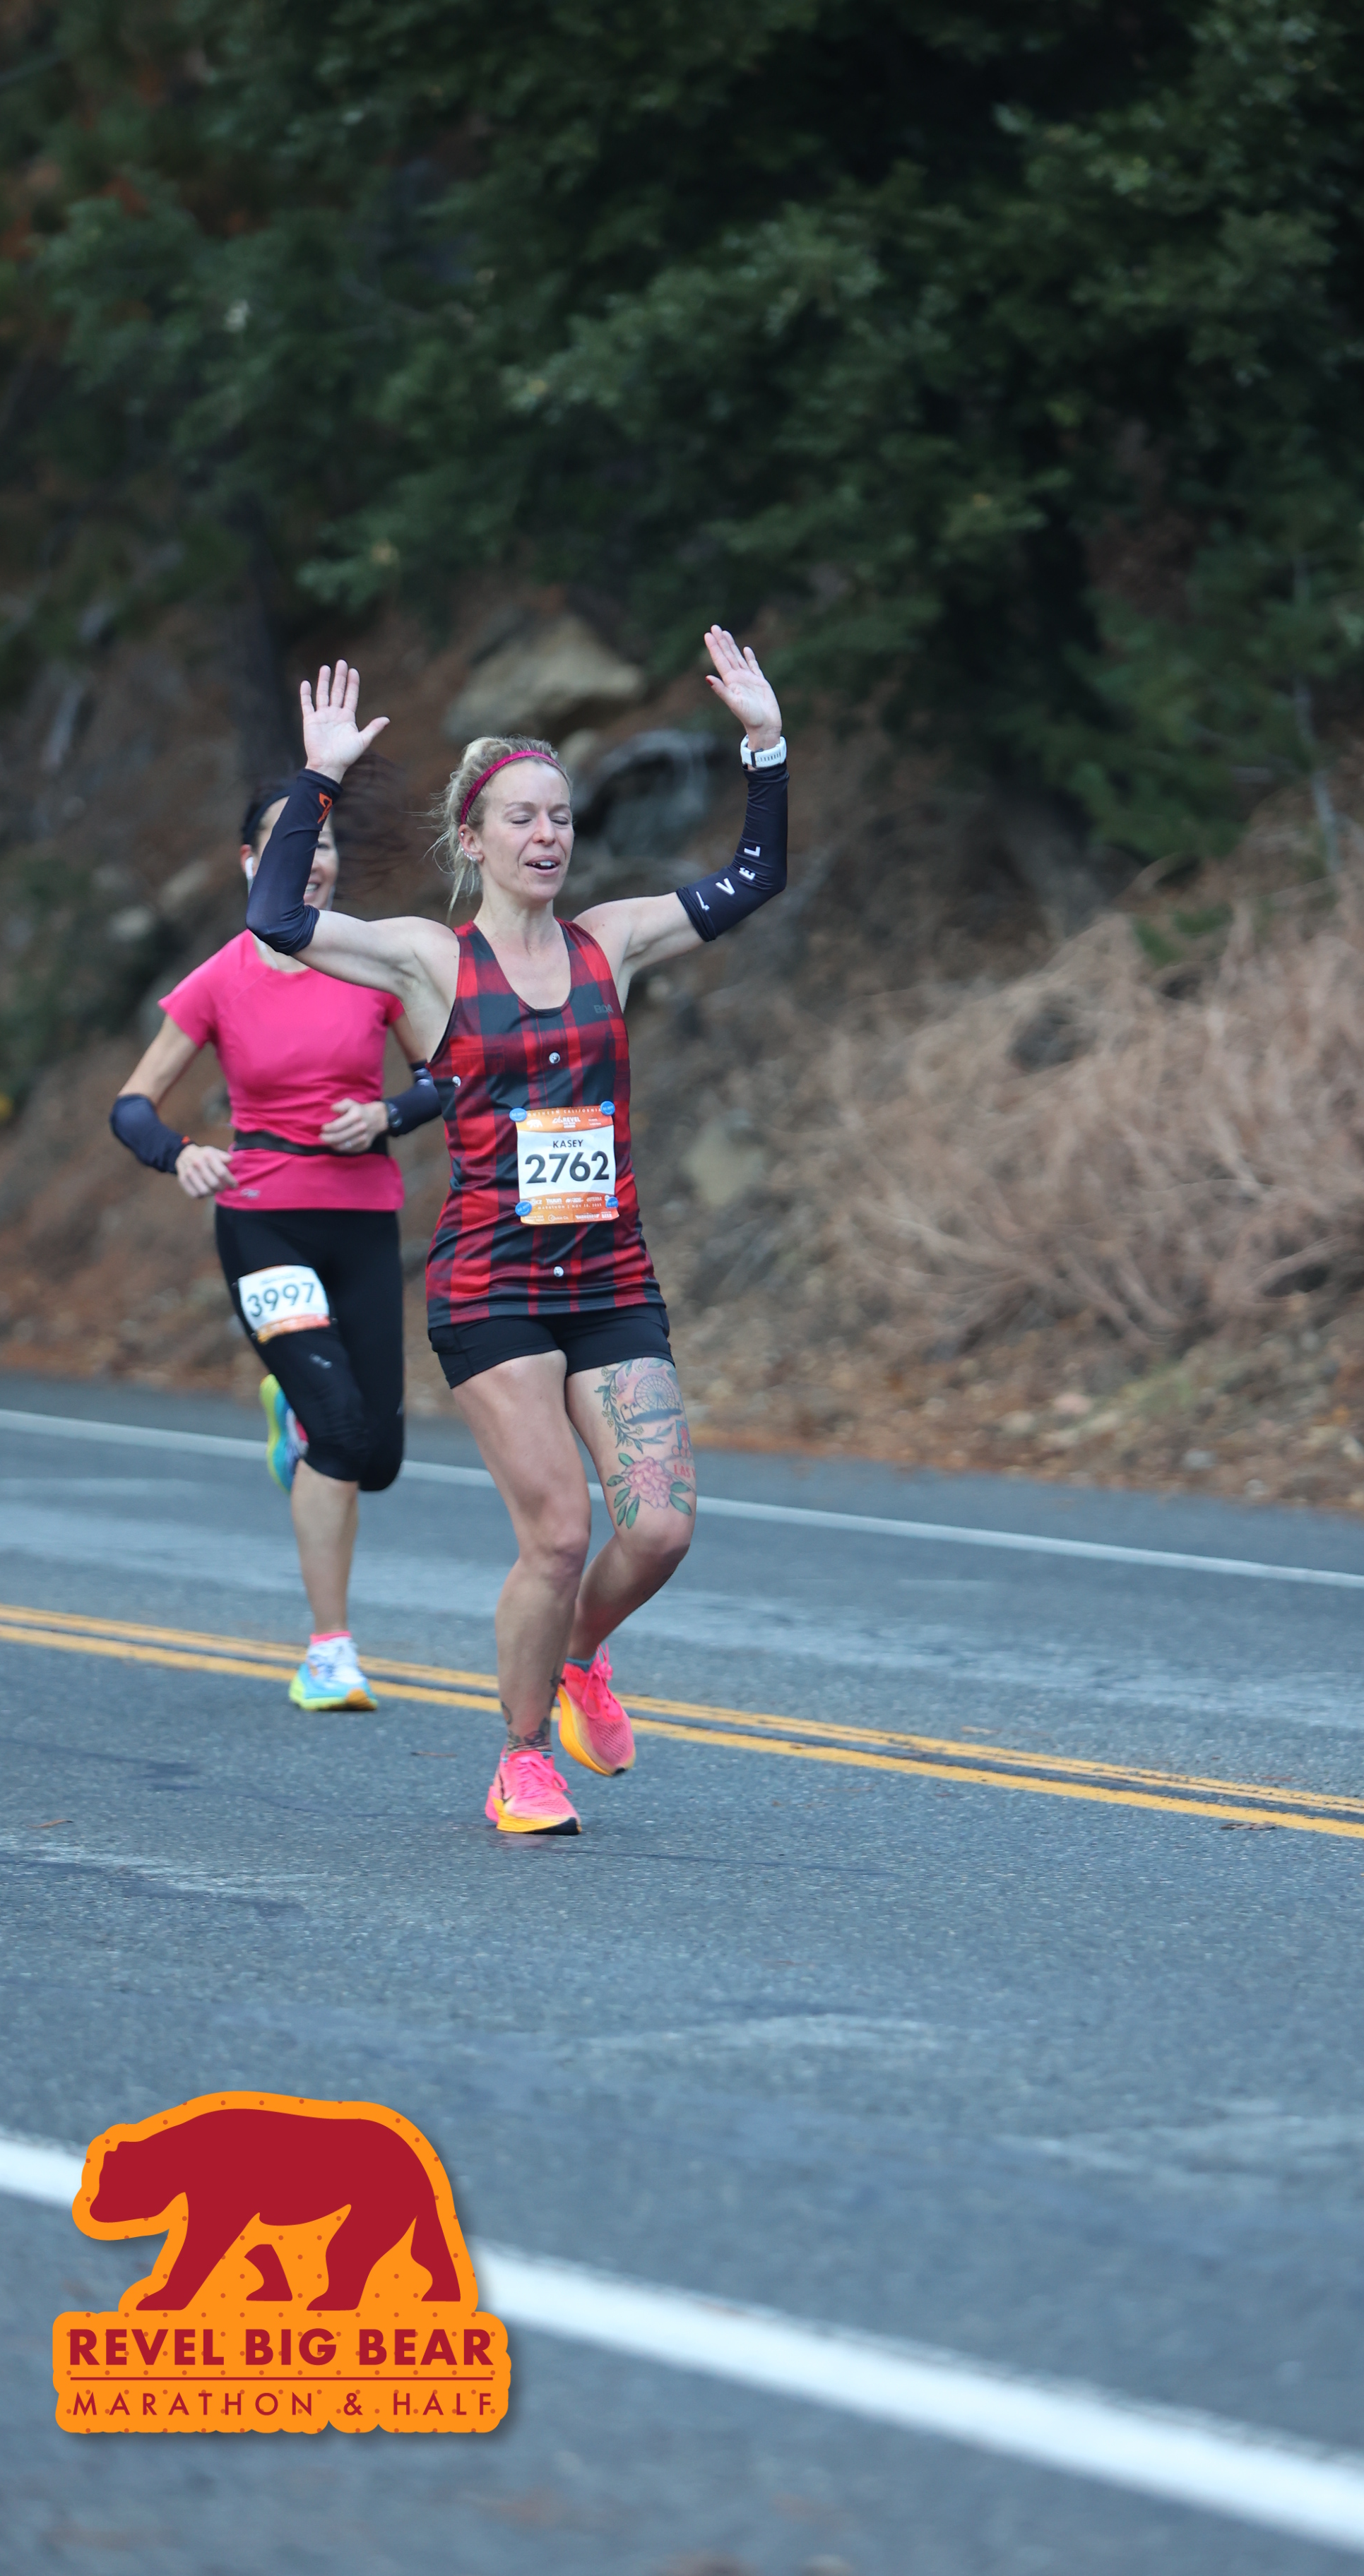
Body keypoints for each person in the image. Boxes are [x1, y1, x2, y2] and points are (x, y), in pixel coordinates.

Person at [245, 628, 788, 1833]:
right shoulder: (426, 961)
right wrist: (318, 777)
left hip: (610, 1277)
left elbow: (756, 878)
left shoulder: (614, 940)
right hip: (492, 1288)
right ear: (474, 837)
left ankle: (579, 1657)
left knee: (661, 1528)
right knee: (557, 1533)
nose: (547, 835)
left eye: (561, 817)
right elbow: (277, 919)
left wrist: (765, 744)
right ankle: (523, 1758)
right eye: (522, 818)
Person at [109, 782, 446, 1711]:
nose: (315, 858)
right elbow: (132, 1105)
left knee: (378, 1458)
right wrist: (180, 1154)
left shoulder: (373, 964)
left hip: (361, 1218)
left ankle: (289, 1409)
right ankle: (328, 1653)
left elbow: (446, 1079)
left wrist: (386, 1114)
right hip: (263, 1219)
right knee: (339, 1429)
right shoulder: (221, 978)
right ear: (254, 863)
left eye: (325, 843)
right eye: (295, 844)